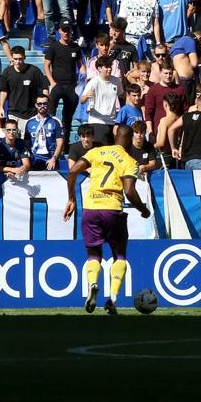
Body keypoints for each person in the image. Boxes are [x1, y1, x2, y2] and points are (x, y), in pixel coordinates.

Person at [63, 125, 151, 314]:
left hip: (90, 208)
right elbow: (129, 191)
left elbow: (72, 172)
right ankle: (112, 298)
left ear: (115, 136)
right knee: (119, 256)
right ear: (128, 141)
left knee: (94, 255)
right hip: (112, 211)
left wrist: (71, 199)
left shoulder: (97, 151)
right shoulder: (129, 161)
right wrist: (143, 209)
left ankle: (93, 284)